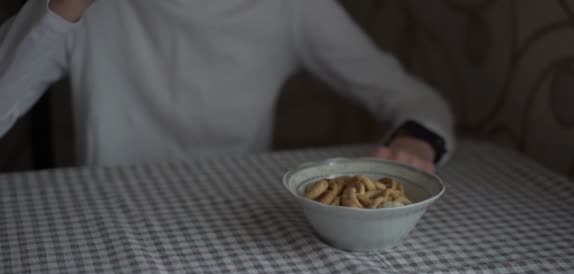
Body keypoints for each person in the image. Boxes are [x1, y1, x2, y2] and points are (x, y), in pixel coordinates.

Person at [0, 0, 455, 173]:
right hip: (107, 225)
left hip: (236, 224)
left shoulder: (290, 7)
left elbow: (409, 95)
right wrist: (60, 10)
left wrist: (417, 139)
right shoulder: (87, 10)